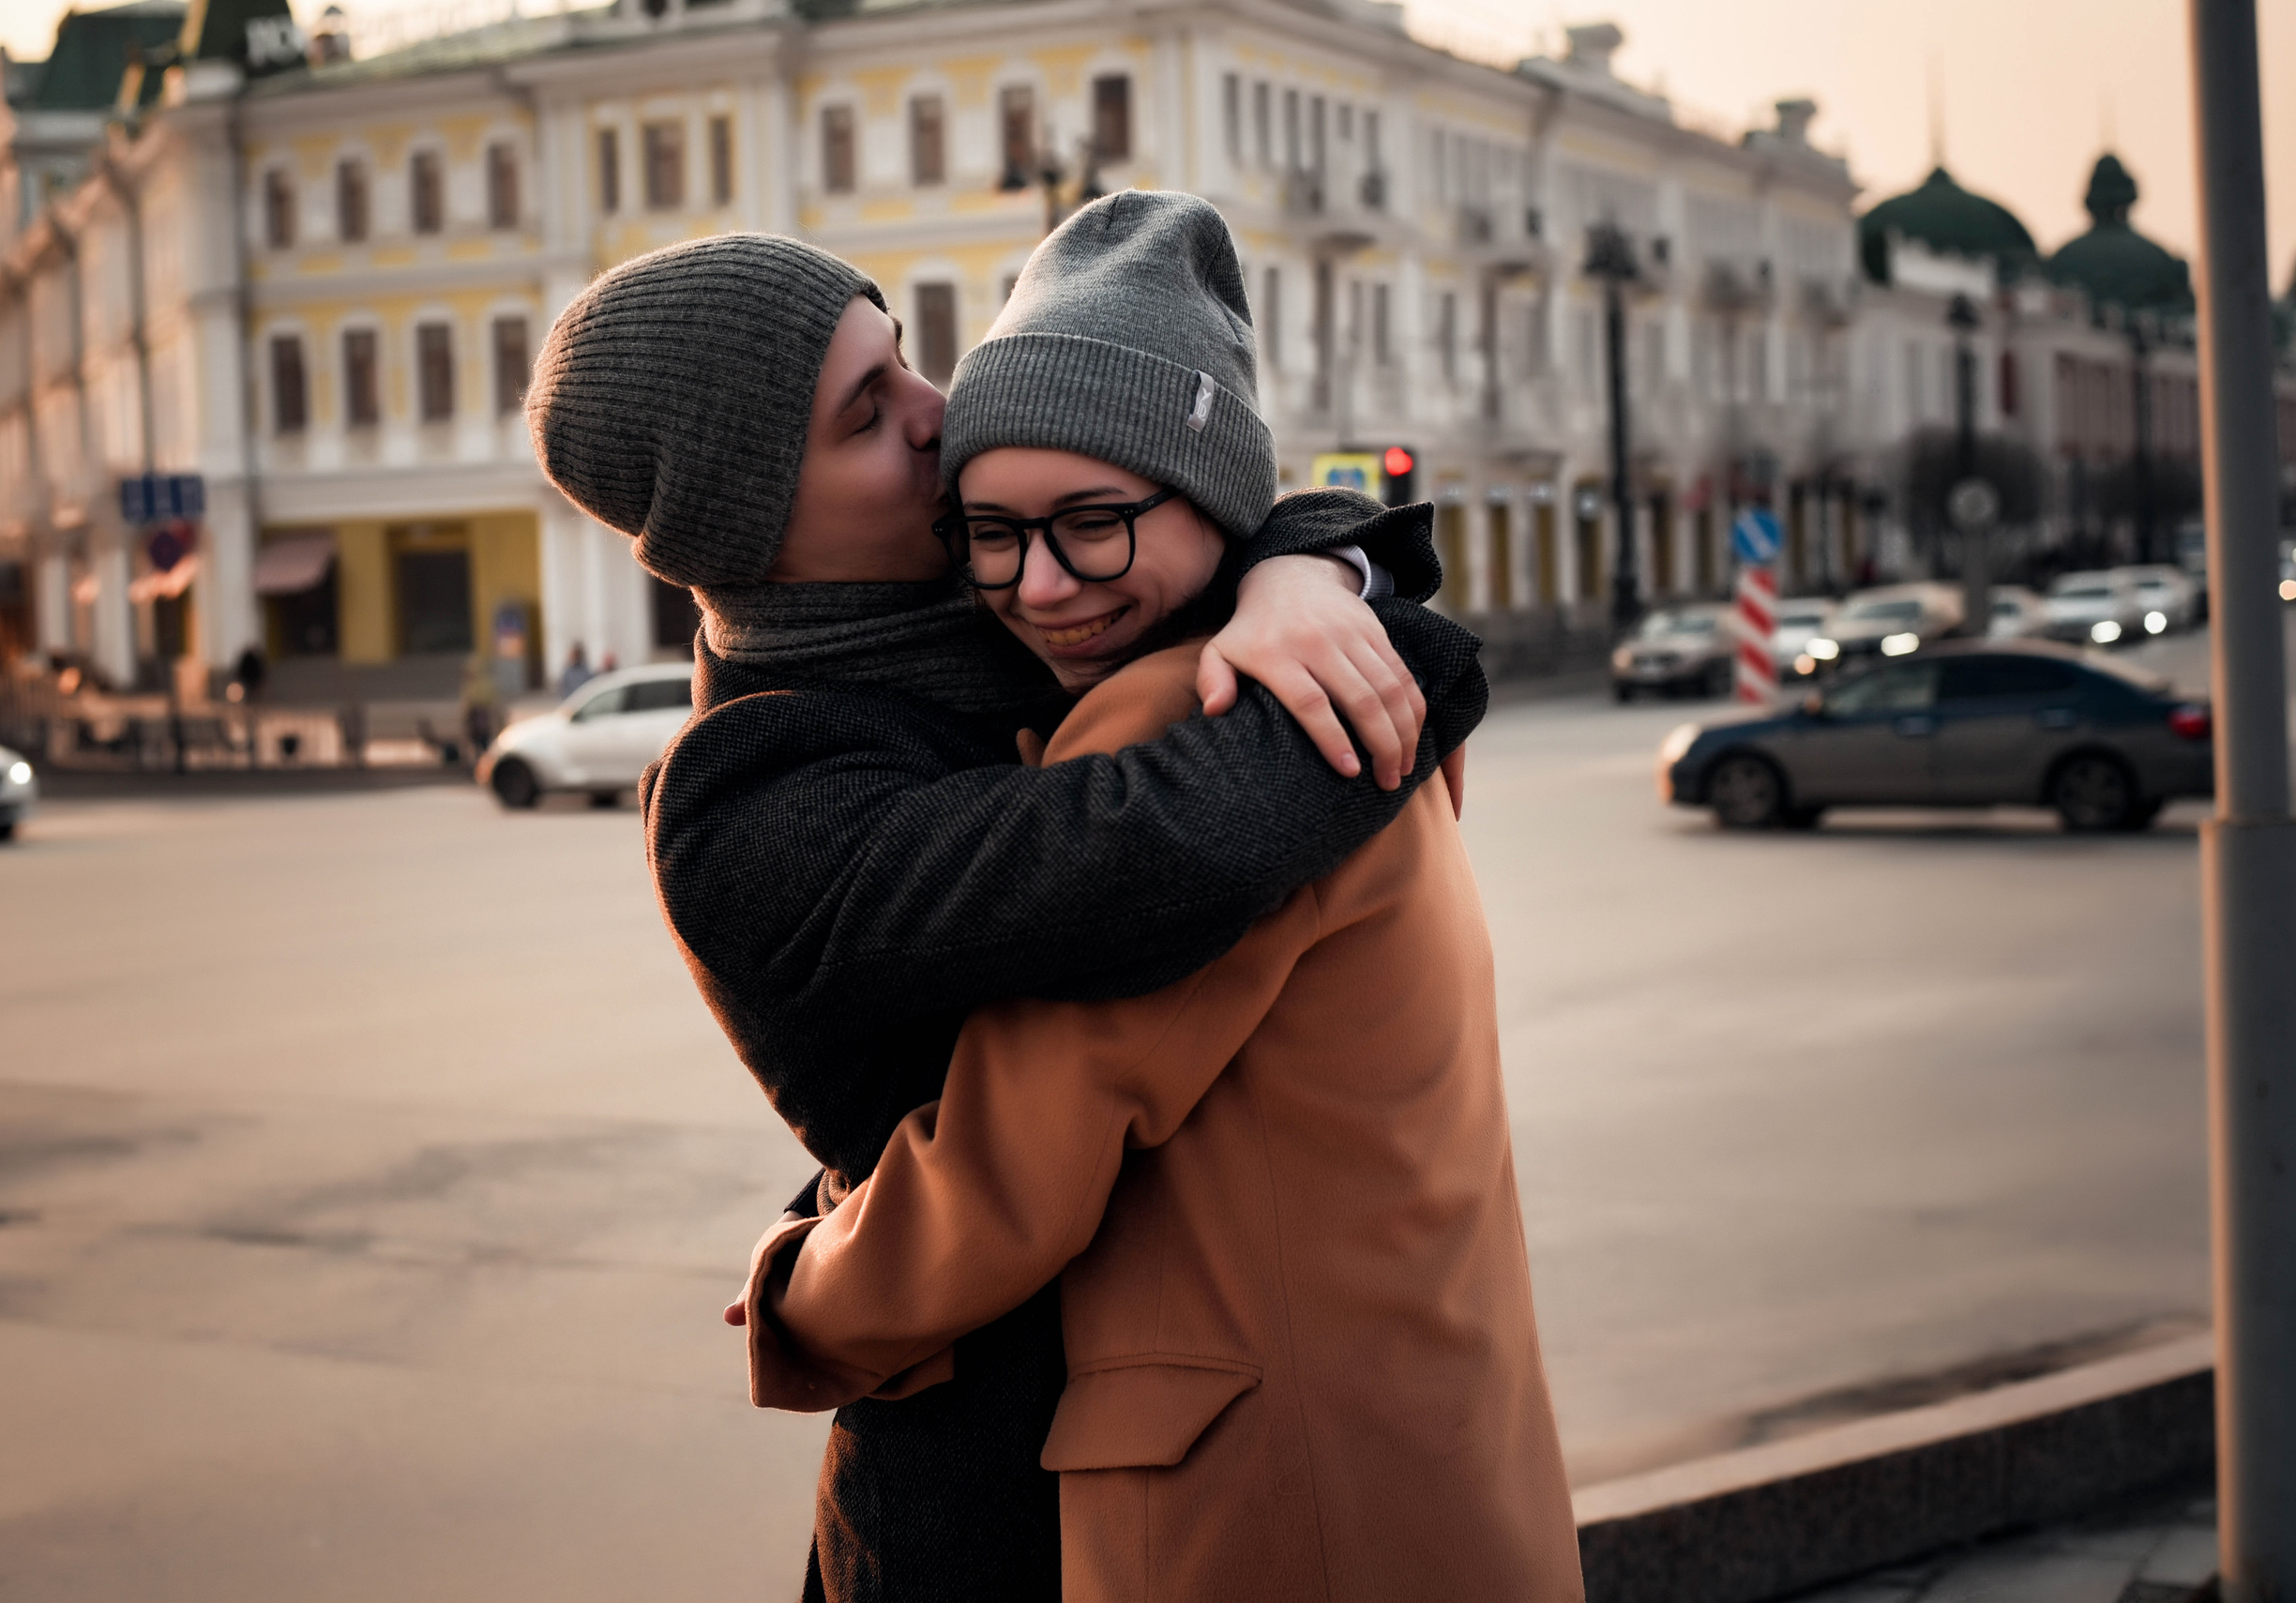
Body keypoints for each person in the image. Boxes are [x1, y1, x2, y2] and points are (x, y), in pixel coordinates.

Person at [526, 224, 1481, 1603]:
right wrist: (1405, 652)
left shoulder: (984, 620)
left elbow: (1197, 513)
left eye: (903, 362)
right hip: (987, 1498)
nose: (937, 410)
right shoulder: (752, 798)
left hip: (1191, 1412)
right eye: (867, 414)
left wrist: (1312, 570)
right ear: (747, 519)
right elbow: (1162, 853)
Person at [739, 191, 1579, 1601]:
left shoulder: (1187, 719)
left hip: (1272, 1491)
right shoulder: (1327, 666)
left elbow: (1015, 1166)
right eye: (991, 534)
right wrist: (1323, 563)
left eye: (1094, 524)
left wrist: (799, 1291)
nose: (1040, 585)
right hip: (1427, 1436)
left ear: (1217, 507)